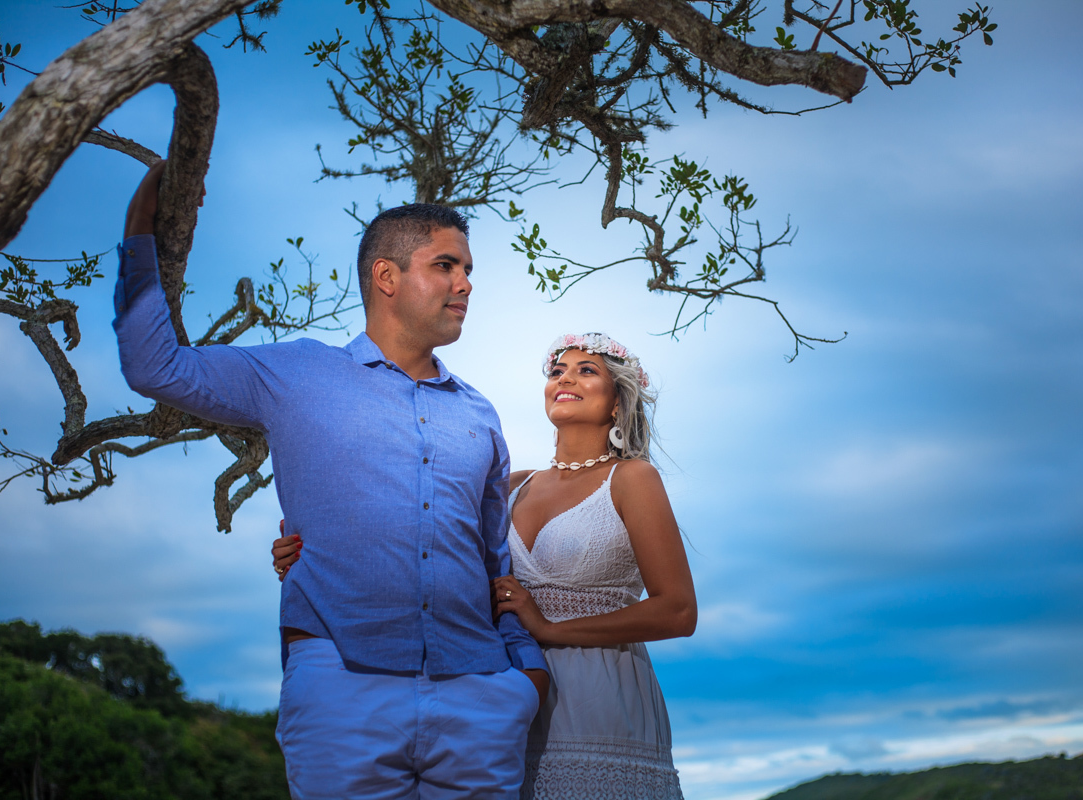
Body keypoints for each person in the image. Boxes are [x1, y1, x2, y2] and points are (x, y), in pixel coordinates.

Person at [114, 161, 548, 800]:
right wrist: (140, 231)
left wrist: (524, 674)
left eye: (467, 270)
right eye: (446, 266)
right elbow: (155, 367)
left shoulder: (479, 412)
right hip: (343, 688)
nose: (465, 284)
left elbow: (492, 558)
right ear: (386, 277)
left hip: (480, 696)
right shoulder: (295, 374)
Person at [274, 332, 697, 800]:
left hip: (602, 693)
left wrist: (549, 628)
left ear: (617, 402)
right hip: (502, 692)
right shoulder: (511, 485)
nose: (565, 378)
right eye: (557, 371)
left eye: (586, 370)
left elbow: (678, 611)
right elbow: (426, 549)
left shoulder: (633, 478)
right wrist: (312, 554)